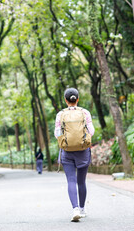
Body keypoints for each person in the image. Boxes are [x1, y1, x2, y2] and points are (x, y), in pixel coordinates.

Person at [54, 88, 95, 222]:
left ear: (65, 100)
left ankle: (75, 208)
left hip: (67, 152)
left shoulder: (61, 114)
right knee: (81, 181)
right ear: (77, 99)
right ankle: (82, 209)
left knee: (71, 180)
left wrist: (65, 141)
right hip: (83, 151)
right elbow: (91, 131)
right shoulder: (85, 112)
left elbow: (57, 133)